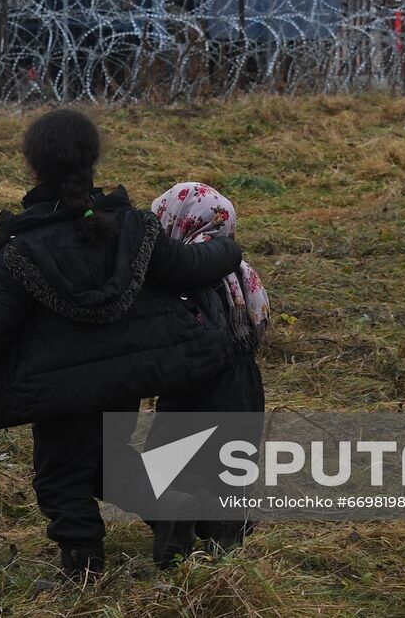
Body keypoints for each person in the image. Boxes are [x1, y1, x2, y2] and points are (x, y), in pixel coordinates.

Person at [0, 109, 243, 580]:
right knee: (107, 462)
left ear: (32, 166)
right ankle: (171, 508)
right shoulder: (131, 227)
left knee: (61, 476)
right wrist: (229, 249)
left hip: (59, 390)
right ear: (92, 161)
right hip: (122, 379)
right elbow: (187, 267)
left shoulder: (24, 247)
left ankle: (82, 570)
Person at [149, 182, 269, 554]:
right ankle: (228, 530)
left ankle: (195, 529)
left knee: (164, 466)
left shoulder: (186, 272)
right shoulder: (238, 269)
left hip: (200, 383)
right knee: (229, 464)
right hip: (245, 383)